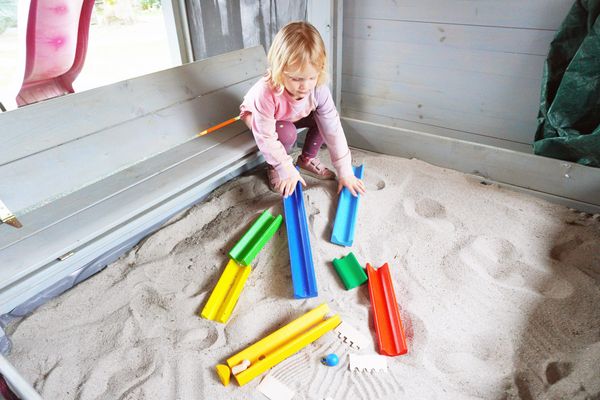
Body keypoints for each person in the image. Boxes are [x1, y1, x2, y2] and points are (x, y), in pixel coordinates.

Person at [240, 21, 366, 198]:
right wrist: (286, 169)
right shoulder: (266, 93)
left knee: (323, 120)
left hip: (293, 113)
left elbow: (333, 128)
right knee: (286, 132)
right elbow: (266, 138)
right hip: (260, 117)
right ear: (280, 70)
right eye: (297, 79)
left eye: (311, 77)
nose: (305, 86)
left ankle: (306, 159)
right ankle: (273, 166)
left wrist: (345, 172)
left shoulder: (318, 89)